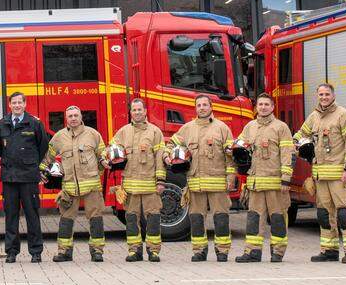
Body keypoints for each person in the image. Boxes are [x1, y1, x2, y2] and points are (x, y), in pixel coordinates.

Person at [295, 83, 346, 264]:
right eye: (321, 94)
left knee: (345, 214)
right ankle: (329, 250)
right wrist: (297, 144)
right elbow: (301, 134)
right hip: (320, 176)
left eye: (327, 94)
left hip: (340, 176)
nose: (323, 97)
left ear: (333, 95)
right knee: (324, 215)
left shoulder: (344, 115)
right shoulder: (314, 116)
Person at [169, 93, 236, 262]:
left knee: (221, 216)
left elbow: (231, 156)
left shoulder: (222, 128)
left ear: (211, 107)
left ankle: (222, 251)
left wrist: (231, 177)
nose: (202, 108)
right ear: (195, 108)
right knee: (196, 218)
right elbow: (171, 145)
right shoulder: (187, 128)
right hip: (195, 182)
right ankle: (199, 251)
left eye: (205, 105)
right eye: (199, 105)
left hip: (218, 182)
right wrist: (170, 156)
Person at [235, 92, 294, 263]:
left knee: (277, 218)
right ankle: (253, 252)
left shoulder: (281, 127)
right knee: (254, 219)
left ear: (272, 107)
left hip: (276, 184)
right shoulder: (250, 127)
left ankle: (278, 252)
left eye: (266, 104)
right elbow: (240, 148)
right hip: (256, 184)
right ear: (256, 107)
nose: (263, 107)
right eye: (260, 104)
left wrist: (285, 178)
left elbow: (287, 154)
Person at [44, 105, 108, 262]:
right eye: (70, 116)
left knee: (96, 218)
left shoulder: (93, 134)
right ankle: (64, 252)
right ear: (66, 119)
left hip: (92, 185)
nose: (73, 118)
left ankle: (97, 251)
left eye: (75, 115)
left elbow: (102, 154)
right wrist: (42, 170)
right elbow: (48, 156)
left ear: (81, 117)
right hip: (69, 187)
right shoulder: (59, 137)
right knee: (66, 219)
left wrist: (104, 162)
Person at [109, 98, 167, 262]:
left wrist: (160, 181)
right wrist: (112, 155)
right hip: (130, 186)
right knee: (131, 218)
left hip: (150, 186)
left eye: (139, 110)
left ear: (145, 111)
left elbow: (160, 158)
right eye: (134, 110)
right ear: (130, 113)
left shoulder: (155, 132)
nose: (137, 113)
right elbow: (111, 148)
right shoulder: (123, 132)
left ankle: (153, 251)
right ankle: (135, 251)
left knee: (154, 218)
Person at [0, 91, 49, 263]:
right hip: (10, 178)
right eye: (14, 103)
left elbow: (43, 146)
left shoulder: (34, 123)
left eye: (20, 102)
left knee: (32, 214)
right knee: (11, 216)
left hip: (28, 177)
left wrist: (31, 164)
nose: (17, 105)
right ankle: (11, 252)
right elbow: (0, 148)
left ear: (25, 104)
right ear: (9, 105)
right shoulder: (2, 124)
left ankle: (36, 251)